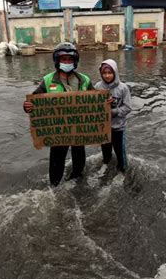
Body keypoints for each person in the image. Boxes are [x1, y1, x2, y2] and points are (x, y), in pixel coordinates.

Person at [23, 42, 94, 186]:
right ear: (57, 60)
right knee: (56, 160)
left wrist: (108, 101)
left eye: (70, 59)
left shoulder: (84, 80)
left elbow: (96, 101)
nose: (67, 62)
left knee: (79, 158)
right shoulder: (48, 80)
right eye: (63, 59)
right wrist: (27, 107)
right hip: (58, 131)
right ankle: (55, 187)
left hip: (79, 129)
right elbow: (35, 100)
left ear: (75, 61)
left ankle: (77, 182)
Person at [94, 59, 132, 172]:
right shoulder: (97, 86)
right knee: (105, 152)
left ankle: (122, 170)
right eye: (104, 73)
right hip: (104, 128)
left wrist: (113, 112)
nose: (107, 76)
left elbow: (128, 107)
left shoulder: (123, 88)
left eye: (110, 73)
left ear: (115, 72)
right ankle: (106, 165)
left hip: (118, 128)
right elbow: (92, 105)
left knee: (120, 152)